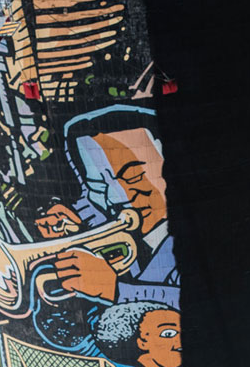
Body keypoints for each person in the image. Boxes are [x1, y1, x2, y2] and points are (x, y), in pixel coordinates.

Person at [49, 106, 180, 309]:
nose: (116, 198)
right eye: (98, 186)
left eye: (134, 177)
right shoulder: (122, 237)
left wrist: (114, 289)